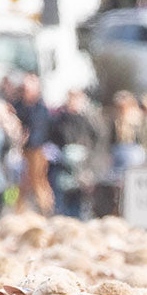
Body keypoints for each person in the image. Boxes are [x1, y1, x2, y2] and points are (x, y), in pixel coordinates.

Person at [49, 90, 99, 218]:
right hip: (63, 165)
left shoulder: (86, 121)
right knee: (61, 201)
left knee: (79, 202)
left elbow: (94, 140)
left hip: (82, 165)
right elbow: (53, 137)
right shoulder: (60, 120)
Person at [15, 74, 53, 214]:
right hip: (20, 150)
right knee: (21, 184)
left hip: (35, 150)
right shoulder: (17, 105)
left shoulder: (40, 109)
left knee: (38, 182)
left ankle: (45, 211)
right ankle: (19, 212)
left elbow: (40, 130)